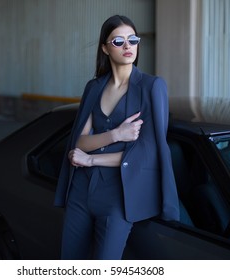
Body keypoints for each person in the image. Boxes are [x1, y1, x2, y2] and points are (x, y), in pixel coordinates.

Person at [54, 15, 179, 260]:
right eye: (118, 41)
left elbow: (147, 153)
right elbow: (79, 142)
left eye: (132, 40)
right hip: (81, 190)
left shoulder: (152, 87)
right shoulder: (94, 87)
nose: (127, 46)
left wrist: (91, 160)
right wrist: (116, 134)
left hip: (120, 195)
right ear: (105, 48)